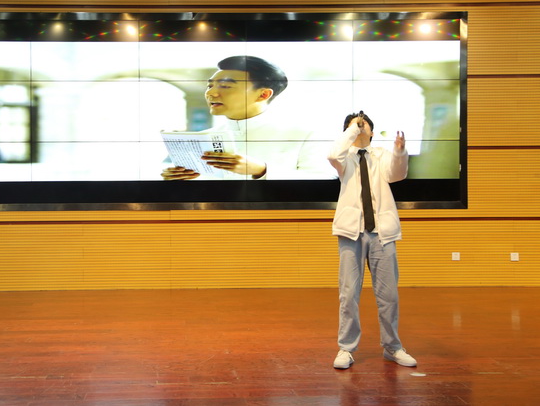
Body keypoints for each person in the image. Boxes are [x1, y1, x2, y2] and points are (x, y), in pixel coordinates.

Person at [327, 112, 417, 369]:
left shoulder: (381, 155)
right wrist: (353, 130)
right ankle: (346, 348)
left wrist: (399, 151)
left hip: (382, 233)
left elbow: (397, 174)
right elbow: (333, 155)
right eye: (354, 125)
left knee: (389, 295)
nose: (359, 126)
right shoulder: (345, 157)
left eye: (363, 123)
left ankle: (393, 347)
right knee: (348, 294)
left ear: (373, 131)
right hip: (351, 232)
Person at [161, 55, 331, 180]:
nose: (211, 93)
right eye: (210, 85)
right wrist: (176, 179)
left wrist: (262, 170)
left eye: (225, 86)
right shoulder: (201, 138)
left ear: (263, 94)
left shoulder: (305, 134)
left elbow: (322, 179)